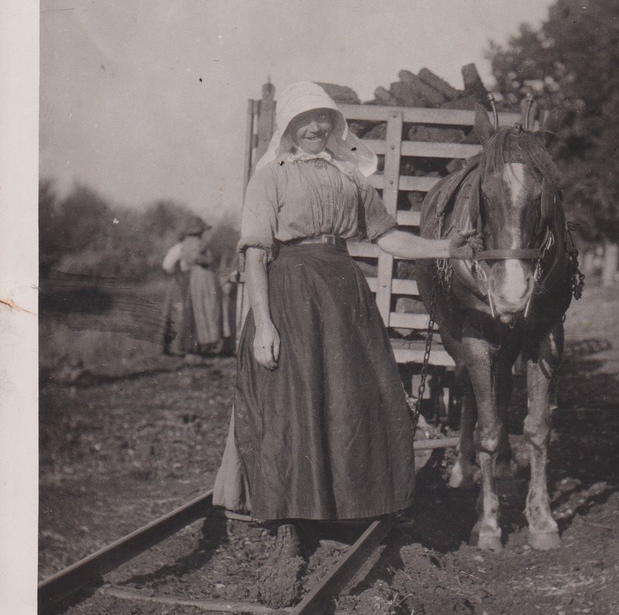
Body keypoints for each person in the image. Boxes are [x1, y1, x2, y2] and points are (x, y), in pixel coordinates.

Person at [212, 82, 478, 576]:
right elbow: (255, 254)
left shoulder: (351, 180)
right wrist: (264, 324)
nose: (315, 128)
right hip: (290, 291)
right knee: (290, 403)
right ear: (288, 127)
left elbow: (389, 237)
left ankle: (352, 507)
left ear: (336, 126)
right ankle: (289, 523)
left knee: (356, 398)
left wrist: (448, 249)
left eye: (324, 120)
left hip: (343, 294)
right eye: (305, 120)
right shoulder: (270, 177)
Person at [162, 216, 223, 357]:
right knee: (193, 310)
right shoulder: (193, 245)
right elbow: (168, 265)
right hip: (189, 280)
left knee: (191, 311)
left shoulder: (185, 245)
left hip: (189, 279)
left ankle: (193, 346)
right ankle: (194, 345)